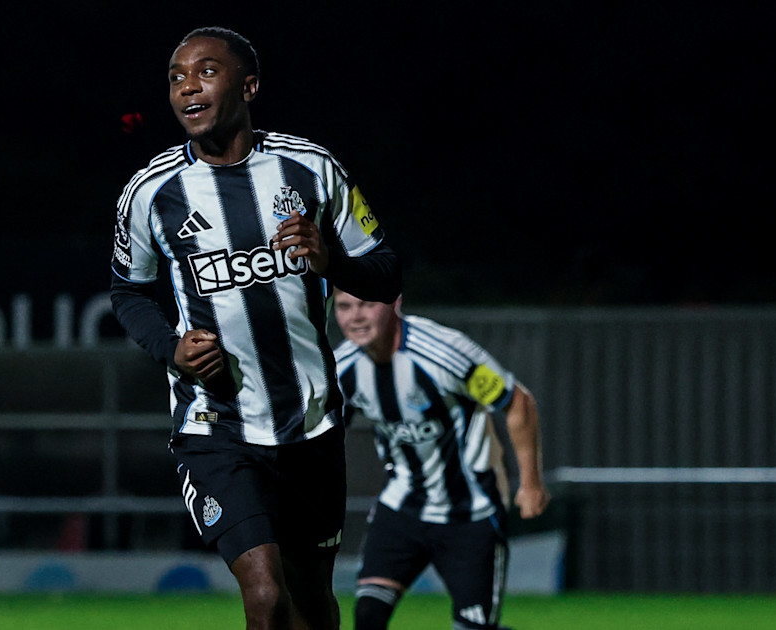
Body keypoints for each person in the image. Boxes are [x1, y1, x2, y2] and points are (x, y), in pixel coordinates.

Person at [110, 26, 402, 630]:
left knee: (312, 603)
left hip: (310, 421)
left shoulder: (311, 168)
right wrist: (171, 349)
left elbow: (385, 270)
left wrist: (331, 262)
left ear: (248, 87)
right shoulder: (151, 192)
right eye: (176, 77)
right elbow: (129, 290)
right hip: (215, 423)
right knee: (266, 597)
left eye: (206, 72)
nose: (188, 87)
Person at [333, 288, 551, 630]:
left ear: (395, 303)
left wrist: (531, 483)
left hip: (471, 513)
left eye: (367, 305)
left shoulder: (443, 353)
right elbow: (324, 436)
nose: (355, 317)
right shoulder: (341, 367)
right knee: (368, 615)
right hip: (401, 508)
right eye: (345, 307)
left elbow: (517, 402)